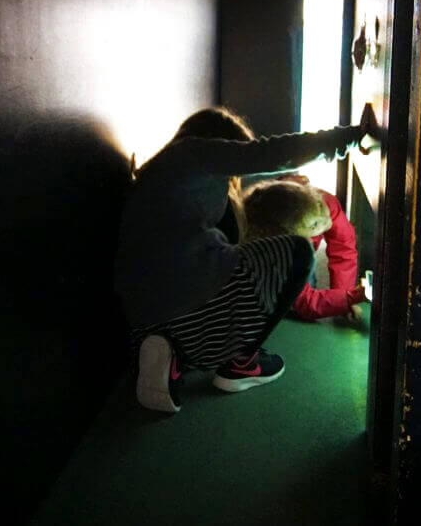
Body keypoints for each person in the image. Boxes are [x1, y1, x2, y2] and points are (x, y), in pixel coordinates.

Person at [114, 105, 379, 413]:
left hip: (142, 322)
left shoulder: (154, 180)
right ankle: (241, 363)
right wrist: (348, 138)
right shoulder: (195, 152)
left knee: (218, 255)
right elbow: (274, 152)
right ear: (218, 141)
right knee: (297, 252)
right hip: (190, 302)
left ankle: (172, 359)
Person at [240, 176, 367, 321]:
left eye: (320, 206)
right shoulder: (281, 254)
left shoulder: (323, 204)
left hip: (300, 240)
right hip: (276, 266)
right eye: (314, 225)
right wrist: (350, 298)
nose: (328, 221)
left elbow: (344, 247)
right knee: (291, 303)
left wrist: (343, 296)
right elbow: (306, 302)